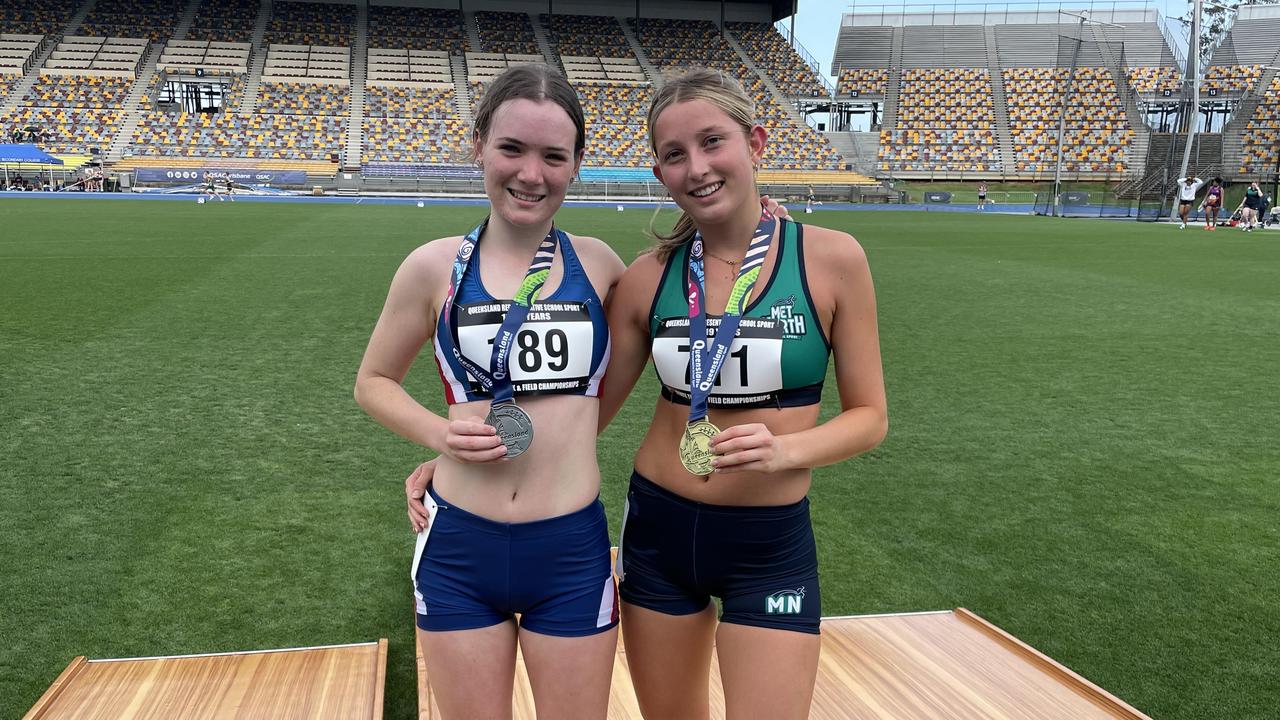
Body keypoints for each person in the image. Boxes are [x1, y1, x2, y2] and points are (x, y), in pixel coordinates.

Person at [599, 67, 887, 719]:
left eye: (712, 142)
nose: (696, 167)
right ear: (660, 173)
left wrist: (787, 451)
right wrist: (457, 461)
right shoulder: (647, 280)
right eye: (674, 154)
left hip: (769, 548)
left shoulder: (833, 260)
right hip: (658, 535)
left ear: (755, 143)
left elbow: (870, 418)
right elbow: (582, 415)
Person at [355, 64, 628, 719]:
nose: (531, 174)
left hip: (569, 552)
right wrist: (439, 437)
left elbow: (702, 278)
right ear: (477, 144)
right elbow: (373, 382)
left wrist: (767, 217)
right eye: (512, 148)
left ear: (576, 164)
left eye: (553, 156)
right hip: (460, 552)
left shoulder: (603, 266)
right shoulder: (432, 267)